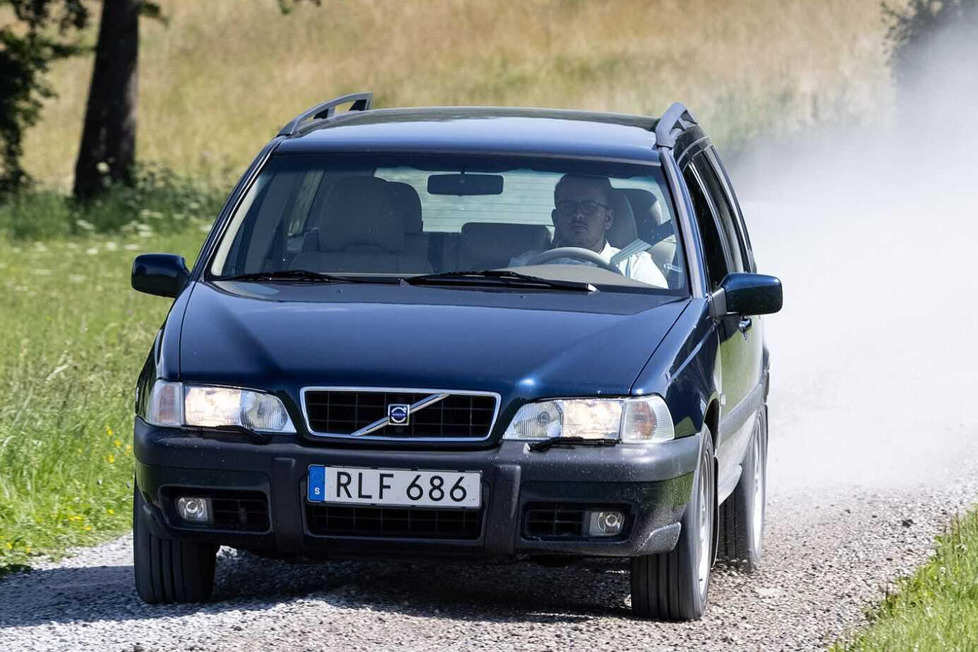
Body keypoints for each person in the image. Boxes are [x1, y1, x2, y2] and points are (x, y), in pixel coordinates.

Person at [509, 174, 667, 287]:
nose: (578, 215)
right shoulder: (526, 264)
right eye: (568, 207)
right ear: (555, 219)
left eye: (589, 207)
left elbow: (661, 317)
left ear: (608, 219)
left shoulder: (635, 267)